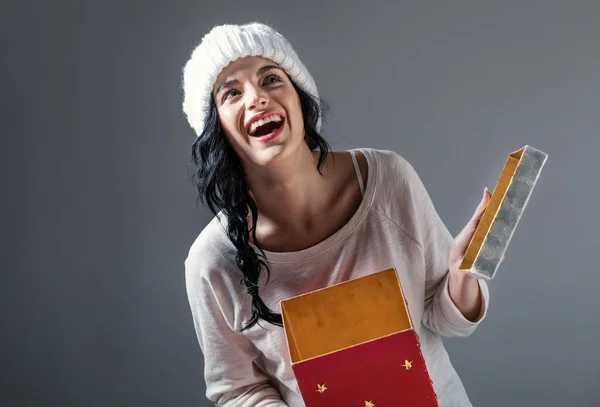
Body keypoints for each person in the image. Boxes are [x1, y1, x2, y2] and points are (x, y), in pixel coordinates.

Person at [181, 22, 492, 407]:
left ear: (299, 96)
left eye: (272, 79)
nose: (257, 98)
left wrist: (462, 277)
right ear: (217, 129)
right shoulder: (212, 259)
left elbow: (441, 318)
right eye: (231, 92)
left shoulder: (388, 180)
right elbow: (237, 389)